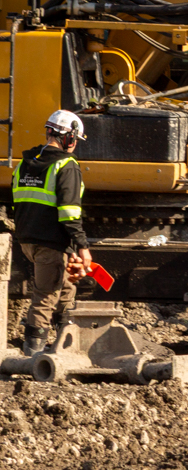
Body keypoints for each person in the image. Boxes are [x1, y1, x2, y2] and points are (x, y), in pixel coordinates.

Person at [11, 110, 90, 355]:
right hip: (50, 241)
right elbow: (69, 211)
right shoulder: (67, 165)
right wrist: (82, 245)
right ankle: (32, 354)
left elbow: (19, 202)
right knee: (46, 295)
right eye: (75, 139)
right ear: (67, 138)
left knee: (65, 287)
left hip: (27, 239)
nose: (75, 145)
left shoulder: (25, 163)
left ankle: (65, 344)